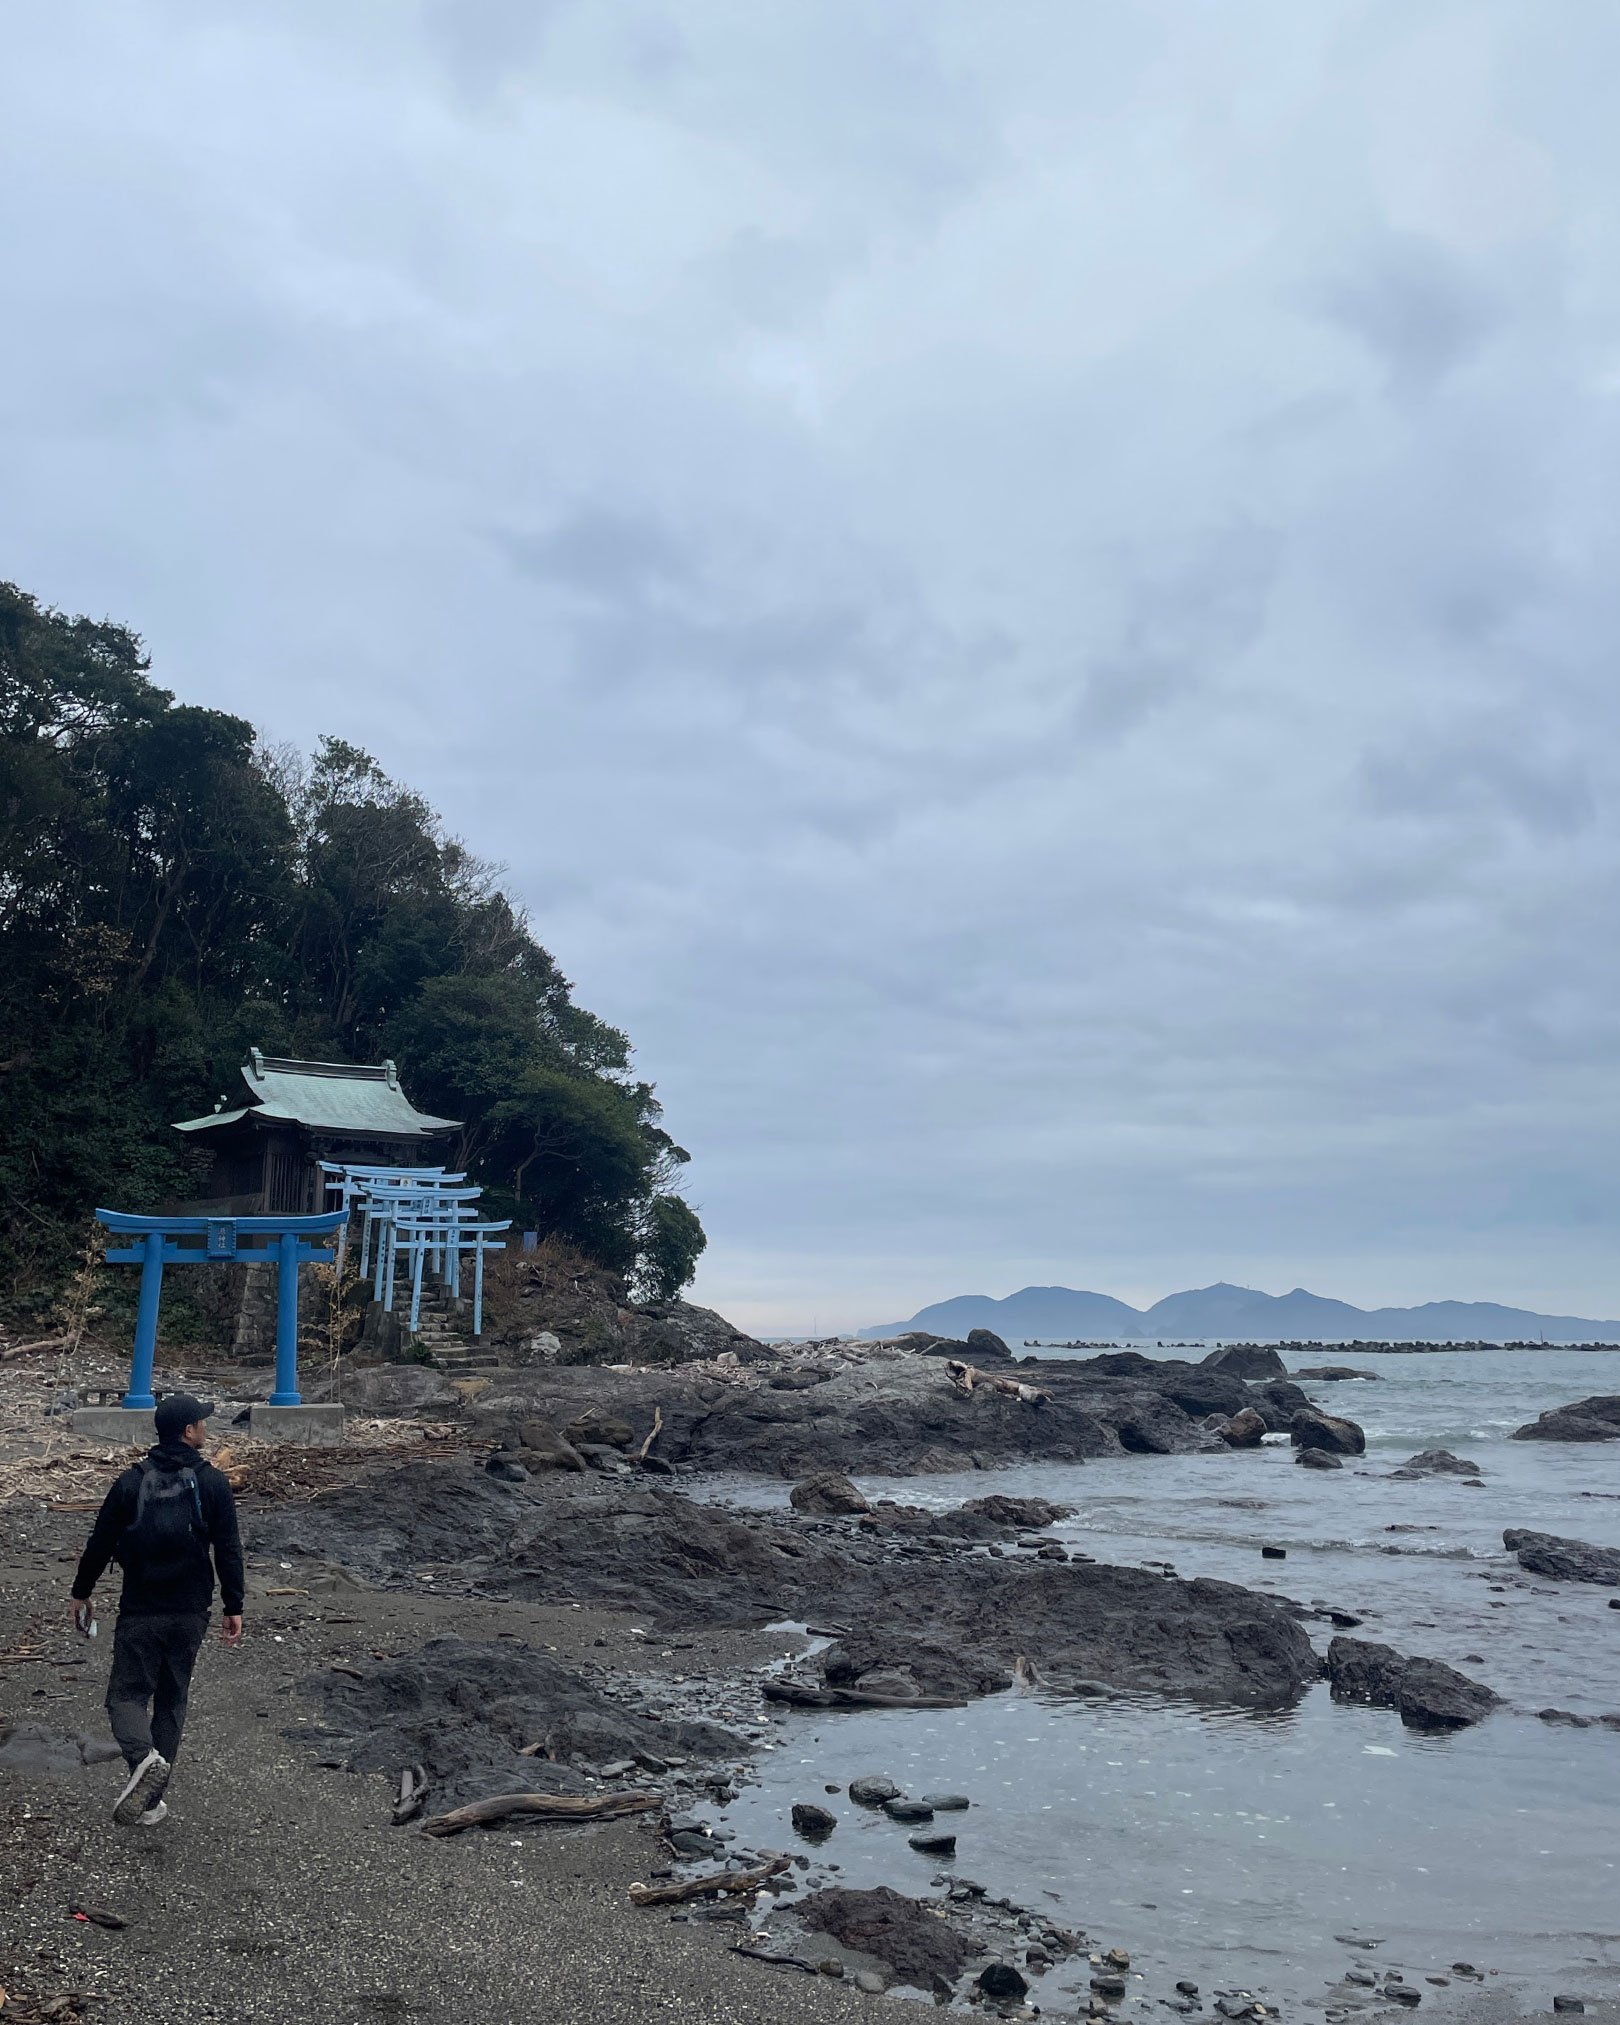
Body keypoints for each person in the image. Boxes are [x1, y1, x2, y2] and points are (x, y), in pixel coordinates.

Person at [70, 1391, 244, 1826]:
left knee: (126, 1696)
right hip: (191, 1611)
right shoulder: (213, 1483)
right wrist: (233, 1604)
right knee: (171, 1698)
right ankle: (150, 1797)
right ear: (188, 1432)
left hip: (141, 1609)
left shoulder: (130, 1482)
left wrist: (82, 1591)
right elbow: (228, 1549)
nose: (207, 1427)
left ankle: (143, 1761)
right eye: (203, 1422)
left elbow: (100, 1543)